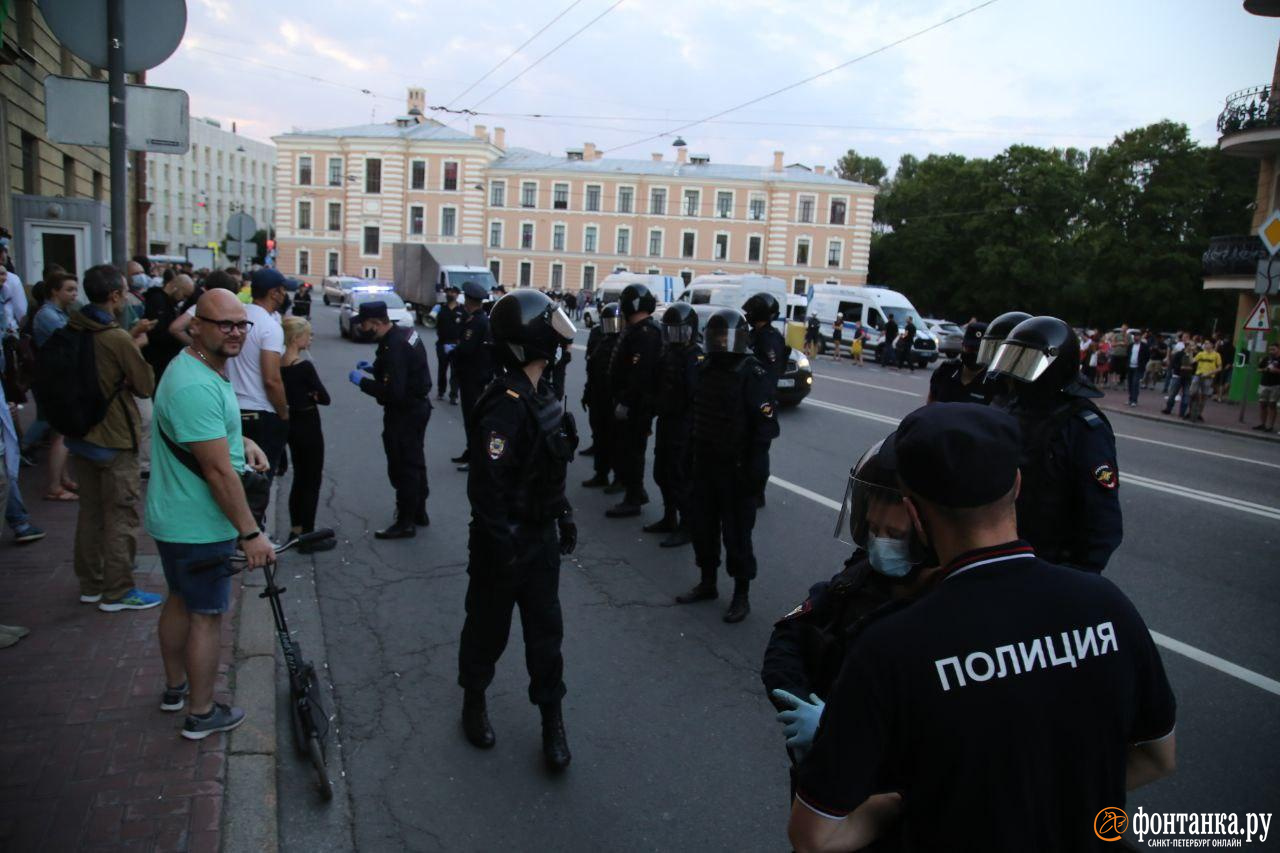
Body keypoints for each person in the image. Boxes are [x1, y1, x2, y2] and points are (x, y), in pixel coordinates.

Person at [788, 403, 1177, 853]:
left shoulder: (890, 646)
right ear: (1016, 485)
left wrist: (899, 802)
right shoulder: (1108, 606)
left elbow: (814, 836)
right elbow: (1157, 756)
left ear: (913, 513)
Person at [763, 434, 939, 780]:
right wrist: (800, 703)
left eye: (893, 533)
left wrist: (843, 728)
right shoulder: (859, 575)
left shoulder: (945, 610)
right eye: (873, 529)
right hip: (823, 767)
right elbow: (787, 635)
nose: (879, 542)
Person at [457, 289, 578, 772]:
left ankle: (552, 720)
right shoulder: (504, 405)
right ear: (532, 339)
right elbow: (487, 493)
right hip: (501, 543)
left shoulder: (542, 390)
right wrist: (501, 551)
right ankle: (473, 701)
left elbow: (545, 468)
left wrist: (563, 511)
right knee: (487, 630)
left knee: (546, 638)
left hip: (539, 538)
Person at [148, 288, 276, 740]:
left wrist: (244, 442)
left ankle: (174, 688)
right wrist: (251, 532)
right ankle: (201, 714)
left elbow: (212, 442)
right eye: (225, 324)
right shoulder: (197, 384)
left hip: (174, 516)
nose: (236, 332)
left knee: (181, 599)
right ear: (196, 326)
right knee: (206, 614)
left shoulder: (196, 368)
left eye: (241, 324)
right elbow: (219, 473)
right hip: (198, 524)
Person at [988, 315, 1122, 573]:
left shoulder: (1082, 427)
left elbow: (1102, 520)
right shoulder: (1012, 409)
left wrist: (1075, 577)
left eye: (1025, 363)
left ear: (1053, 366)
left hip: (1053, 566)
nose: (1015, 373)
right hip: (1006, 556)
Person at [63, 265, 159, 610]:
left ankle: (91, 583)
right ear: (115, 296)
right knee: (120, 515)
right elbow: (144, 384)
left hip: (81, 433)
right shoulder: (115, 337)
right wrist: (137, 345)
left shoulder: (76, 325)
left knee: (89, 513)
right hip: (114, 436)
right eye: (123, 291)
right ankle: (118, 591)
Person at [676, 308, 779, 623]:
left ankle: (741, 594)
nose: (721, 342)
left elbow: (764, 432)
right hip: (705, 465)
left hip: (736, 470)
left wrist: (754, 477)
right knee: (702, 528)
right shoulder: (706, 369)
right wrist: (689, 458)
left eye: (726, 336)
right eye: (716, 336)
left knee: (737, 536)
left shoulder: (752, 373)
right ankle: (708, 582)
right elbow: (697, 414)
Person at [350, 300, 432, 538]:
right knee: (416, 460)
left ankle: (405, 522)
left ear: (376, 323)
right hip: (417, 407)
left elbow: (394, 392)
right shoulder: (403, 334)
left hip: (404, 412)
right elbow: (403, 372)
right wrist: (375, 371)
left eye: (364, 324)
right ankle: (419, 511)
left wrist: (363, 383)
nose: (362, 329)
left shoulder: (394, 346)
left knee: (402, 465)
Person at [643, 303, 702, 548]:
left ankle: (687, 525)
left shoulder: (694, 356)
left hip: (684, 425)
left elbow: (693, 394)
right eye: (670, 331)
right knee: (661, 472)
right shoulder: (668, 353)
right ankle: (669, 517)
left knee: (679, 476)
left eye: (678, 331)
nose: (673, 336)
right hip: (666, 421)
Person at [226, 269, 290, 491]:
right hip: (260, 414)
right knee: (258, 486)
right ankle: (254, 526)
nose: (284, 295)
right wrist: (283, 413)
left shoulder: (237, 317)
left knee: (233, 482)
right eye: (283, 290)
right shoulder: (269, 326)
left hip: (231, 409)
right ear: (274, 293)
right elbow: (272, 379)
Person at [604, 283, 662, 518]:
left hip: (637, 404)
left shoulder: (645, 333)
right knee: (627, 448)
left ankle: (633, 498)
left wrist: (626, 401)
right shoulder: (638, 329)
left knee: (633, 451)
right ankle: (636, 491)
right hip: (632, 401)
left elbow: (639, 374)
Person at [281, 318, 333, 551]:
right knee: (312, 478)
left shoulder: (279, 365)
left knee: (299, 476)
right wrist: (312, 395)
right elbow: (325, 397)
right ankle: (308, 535)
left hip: (291, 422)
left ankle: (296, 528)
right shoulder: (304, 366)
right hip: (308, 421)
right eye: (308, 335)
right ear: (295, 338)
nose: (310, 339)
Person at [32, 271, 79, 503]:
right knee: (61, 432)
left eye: (75, 289)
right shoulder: (48, 315)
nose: (74, 294)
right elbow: (70, 341)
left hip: (58, 375)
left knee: (59, 432)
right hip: (54, 377)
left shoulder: (59, 313)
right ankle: (54, 485)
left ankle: (62, 478)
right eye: (69, 289)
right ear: (54, 291)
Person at [451, 281, 493, 472]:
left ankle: (476, 458)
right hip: (472, 376)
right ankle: (470, 452)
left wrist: (454, 349)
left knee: (473, 419)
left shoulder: (477, 322)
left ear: (470, 301)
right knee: (470, 418)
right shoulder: (477, 319)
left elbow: (467, 349)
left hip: (473, 377)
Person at [580, 303, 622, 489]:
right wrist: (587, 393)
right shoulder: (599, 336)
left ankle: (619, 478)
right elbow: (592, 368)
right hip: (598, 393)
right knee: (600, 434)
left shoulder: (623, 340)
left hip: (613, 397)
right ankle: (601, 473)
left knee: (615, 440)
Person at [927, 321, 998, 404]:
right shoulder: (945, 371)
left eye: (978, 350)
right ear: (963, 346)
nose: (974, 353)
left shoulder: (992, 382)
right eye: (970, 348)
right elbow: (930, 404)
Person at [142, 272, 194, 381]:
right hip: (157, 358)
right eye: (184, 295)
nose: (183, 300)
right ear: (176, 288)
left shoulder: (169, 303)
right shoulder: (158, 301)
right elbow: (156, 332)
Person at [435, 284, 465, 404]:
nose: (450, 294)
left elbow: (466, 326)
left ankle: (454, 395)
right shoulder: (440, 308)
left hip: (456, 345)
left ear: (457, 295)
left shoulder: (462, 310)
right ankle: (441, 391)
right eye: (448, 292)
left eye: (453, 292)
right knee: (442, 369)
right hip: (442, 344)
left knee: (455, 371)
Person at [1187, 339, 1221, 423]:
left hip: (1208, 377)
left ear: (1212, 345)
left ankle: (1198, 414)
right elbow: (1191, 361)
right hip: (1198, 375)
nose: (1205, 345)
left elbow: (1220, 368)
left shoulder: (1216, 355)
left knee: (1204, 396)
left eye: (1207, 343)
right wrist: (1191, 352)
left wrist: (1209, 373)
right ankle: (1192, 410)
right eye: (1205, 344)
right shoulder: (1201, 354)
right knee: (1192, 392)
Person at [1162, 334, 1192, 418]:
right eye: (1190, 346)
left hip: (1188, 377)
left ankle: (1182, 412)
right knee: (1173, 393)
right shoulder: (1179, 354)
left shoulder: (1193, 355)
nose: (1192, 348)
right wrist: (1180, 368)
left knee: (1186, 395)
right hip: (1178, 375)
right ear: (1187, 347)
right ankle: (1168, 408)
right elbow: (1175, 364)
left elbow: (1195, 365)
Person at [1255, 342, 1280, 432]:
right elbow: (1258, 369)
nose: (1271, 351)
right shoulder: (1267, 358)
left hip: (1276, 385)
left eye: (1273, 349)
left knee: (1272, 404)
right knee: (1262, 404)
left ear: (1278, 349)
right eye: (1270, 349)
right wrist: (1264, 369)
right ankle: (1263, 424)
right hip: (1264, 384)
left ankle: (1271, 426)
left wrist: (1276, 370)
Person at [1126, 328, 1150, 407]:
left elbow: (1147, 356)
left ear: (1140, 337)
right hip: (1130, 366)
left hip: (1138, 367)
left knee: (1135, 383)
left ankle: (1134, 400)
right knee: (1130, 383)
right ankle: (1130, 399)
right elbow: (1128, 355)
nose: (1136, 338)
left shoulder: (1144, 346)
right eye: (1135, 336)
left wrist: (1143, 364)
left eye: (1138, 336)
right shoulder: (1130, 346)